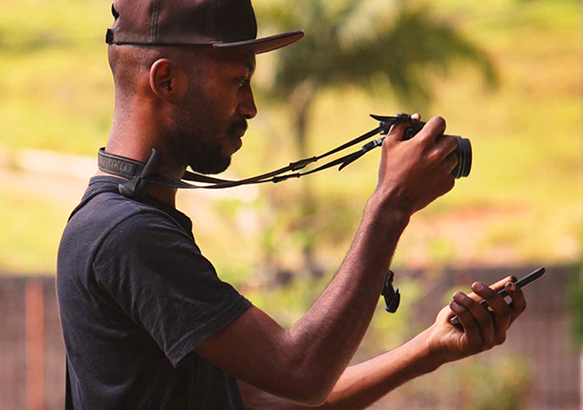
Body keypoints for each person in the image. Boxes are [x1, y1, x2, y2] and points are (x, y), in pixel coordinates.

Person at [56, 0, 528, 408]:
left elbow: (263, 401)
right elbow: (301, 372)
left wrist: (429, 349)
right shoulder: (127, 234)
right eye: (238, 81)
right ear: (166, 81)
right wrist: (391, 204)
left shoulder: (130, 222)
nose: (251, 107)